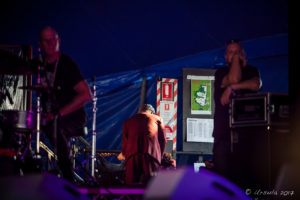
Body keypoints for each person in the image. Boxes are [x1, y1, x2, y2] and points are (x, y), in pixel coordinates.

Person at [36, 26, 92, 181]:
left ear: (58, 41)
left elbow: (86, 94)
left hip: (72, 117)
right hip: (51, 116)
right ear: (39, 44)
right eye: (45, 41)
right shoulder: (39, 65)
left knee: (55, 126)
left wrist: (58, 114)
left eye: (52, 39)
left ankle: (68, 179)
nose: (49, 44)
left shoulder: (66, 65)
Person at [213, 40, 261, 180]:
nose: (234, 56)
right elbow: (234, 78)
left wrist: (232, 88)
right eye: (230, 53)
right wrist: (236, 60)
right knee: (223, 182)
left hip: (247, 136)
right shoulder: (221, 73)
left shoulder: (252, 70)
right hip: (223, 136)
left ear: (243, 54)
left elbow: (257, 84)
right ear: (226, 57)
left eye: (237, 52)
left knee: (244, 180)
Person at [122, 104, 166, 185]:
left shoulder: (128, 121)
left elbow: (125, 142)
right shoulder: (157, 119)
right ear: (152, 112)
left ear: (139, 111)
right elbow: (162, 140)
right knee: (152, 185)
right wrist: (160, 156)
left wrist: (126, 156)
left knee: (131, 186)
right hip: (151, 155)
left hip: (132, 156)